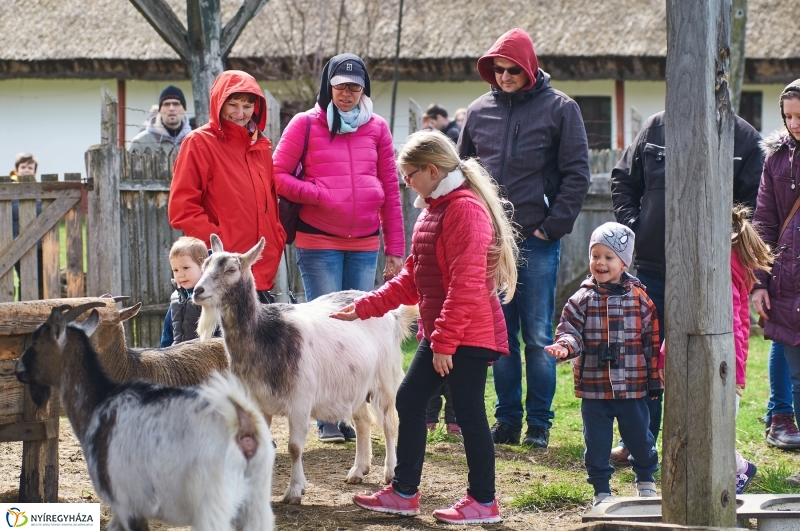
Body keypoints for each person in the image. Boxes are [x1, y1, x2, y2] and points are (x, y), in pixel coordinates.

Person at [332, 130, 517, 524]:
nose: (405, 182)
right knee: (411, 402)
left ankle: (483, 502)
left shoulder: (464, 210)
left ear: (432, 170)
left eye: (409, 174)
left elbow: (467, 285)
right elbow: (412, 279)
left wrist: (445, 343)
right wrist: (364, 308)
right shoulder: (435, 209)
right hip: (446, 333)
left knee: (468, 414)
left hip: (466, 333)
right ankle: (403, 493)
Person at [458, 28, 591, 448]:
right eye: (496, 69)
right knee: (499, 336)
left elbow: (577, 174)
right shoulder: (478, 112)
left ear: (529, 66)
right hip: (489, 242)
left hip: (536, 239)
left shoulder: (560, 109)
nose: (504, 76)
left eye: (512, 69)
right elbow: (463, 172)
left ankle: (539, 424)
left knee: (536, 334)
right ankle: (508, 421)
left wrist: (550, 227)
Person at [610, 109, 763, 464]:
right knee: (646, 356)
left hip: (710, 271)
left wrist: (724, 248)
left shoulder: (743, 137)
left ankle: (700, 449)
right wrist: (638, 229)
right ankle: (639, 441)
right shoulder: (656, 126)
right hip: (653, 266)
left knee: (703, 357)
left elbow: (754, 205)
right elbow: (623, 181)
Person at [274, 53, 405, 443]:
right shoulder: (305, 124)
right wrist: (317, 193)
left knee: (359, 328)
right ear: (327, 87)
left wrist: (395, 248)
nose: (346, 94)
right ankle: (327, 420)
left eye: (354, 87)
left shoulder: (378, 129)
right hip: (319, 243)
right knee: (324, 331)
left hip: (365, 244)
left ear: (363, 89)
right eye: (339, 86)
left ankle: (351, 412)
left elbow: (392, 194)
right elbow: (277, 175)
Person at [545, 222, 660, 506]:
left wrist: (654, 382)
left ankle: (645, 479)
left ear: (624, 262)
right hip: (594, 389)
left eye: (609, 257)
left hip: (632, 388)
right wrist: (565, 346)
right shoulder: (581, 299)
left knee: (640, 439)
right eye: (595, 255)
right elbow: (570, 331)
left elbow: (651, 343)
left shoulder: (641, 300)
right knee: (596, 444)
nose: (600, 262)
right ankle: (601, 490)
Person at [169, 70, 285, 305]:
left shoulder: (261, 146)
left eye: (247, 106)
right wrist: (218, 249)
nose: (240, 113)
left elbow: (269, 205)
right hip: (221, 274)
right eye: (233, 104)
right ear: (218, 103)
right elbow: (183, 208)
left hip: (259, 268)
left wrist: (277, 236)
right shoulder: (199, 143)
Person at [752, 78, 800, 486]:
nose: (794, 124)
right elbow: (764, 222)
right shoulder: (777, 160)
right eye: (788, 117)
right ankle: (781, 417)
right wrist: (760, 281)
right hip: (787, 279)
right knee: (798, 374)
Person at [730, 205, 772, 493]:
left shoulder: (726, 276)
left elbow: (733, 330)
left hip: (725, 370)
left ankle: (740, 469)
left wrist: (733, 374)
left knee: (716, 432)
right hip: (727, 368)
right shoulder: (732, 269)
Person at [160, 236, 207, 347]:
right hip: (177, 358)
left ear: (203, 266)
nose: (180, 274)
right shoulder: (176, 298)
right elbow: (167, 334)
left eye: (185, 268)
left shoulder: (209, 298)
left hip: (204, 358)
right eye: (175, 270)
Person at [130, 85, 191, 153]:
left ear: (184, 109)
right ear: (159, 110)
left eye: (176, 104)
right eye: (166, 104)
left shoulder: (194, 141)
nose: (171, 108)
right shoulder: (140, 143)